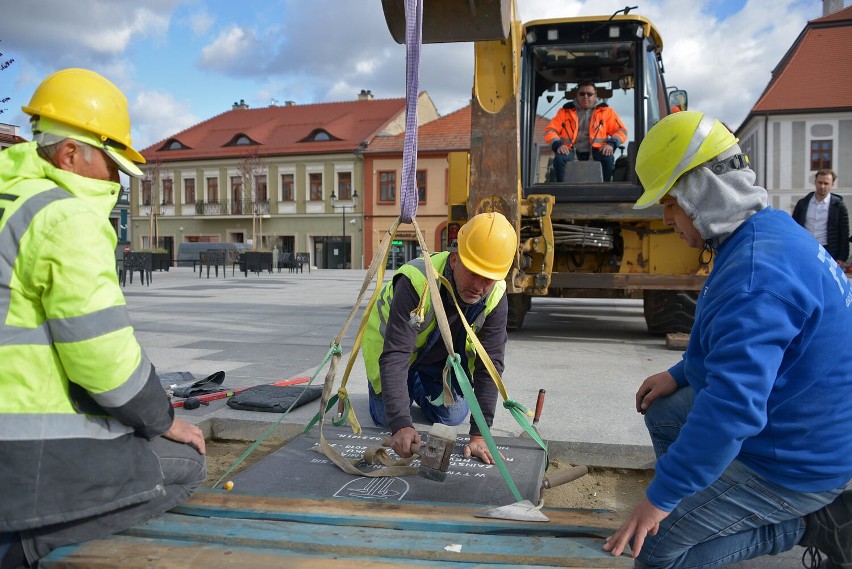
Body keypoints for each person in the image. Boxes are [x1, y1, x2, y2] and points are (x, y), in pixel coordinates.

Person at [603, 111, 852, 568]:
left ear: (702, 193)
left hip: (798, 464)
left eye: (671, 202)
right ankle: (704, 493)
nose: (666, 217)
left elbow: (732, 409)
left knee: (655, 549)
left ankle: (806, 524)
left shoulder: (756, 276)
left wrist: (659, 501)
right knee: (665, 410)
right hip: (798, 424)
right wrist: (680, 373)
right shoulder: (767, 232)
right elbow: (753, 347)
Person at [0, 68, 206, 568]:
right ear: (71, 154)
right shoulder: (65, 216)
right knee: (188, 463)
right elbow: (104, 361)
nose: (115, 180)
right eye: (110, 164)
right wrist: (165, 420)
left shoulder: (14, 199)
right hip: (26, 458)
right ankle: (31, 544)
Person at [363, 212, 517, 464]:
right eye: (474, 274)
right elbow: (396, 355)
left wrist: (480, 435)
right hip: (395, 356)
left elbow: (490, 366)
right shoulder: (416, 280)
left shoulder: (495, 295)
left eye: (488, 279)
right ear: (455, 260)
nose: (480, 286)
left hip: (435, 365)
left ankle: (417, 387)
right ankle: (402, 390)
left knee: (453, 417)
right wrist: (401, 423)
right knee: (385, 418)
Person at [544, 80, 628, 182]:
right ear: (577, 95)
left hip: (597, 151)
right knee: (559, 159)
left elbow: (621, 130)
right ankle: (562, 190)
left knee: (608, 158)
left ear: (595, 95)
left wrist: (611, 144)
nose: (586, 96)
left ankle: (606, 189)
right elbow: (550, 130)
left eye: (589, 94)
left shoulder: (606, 112)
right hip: (570, 150)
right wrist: (558, 145)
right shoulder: (565, 112)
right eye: (582, 94)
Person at [792, 169, 849, 265]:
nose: (822, 186)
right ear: (815, 182)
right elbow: (793, 227)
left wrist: (841, 258)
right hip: (805, 249)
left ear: (832, 184)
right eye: (820, 182)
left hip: (829, 252)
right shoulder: (803, 203)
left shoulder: (839, 206)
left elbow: (844, 233)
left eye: (826, 183)